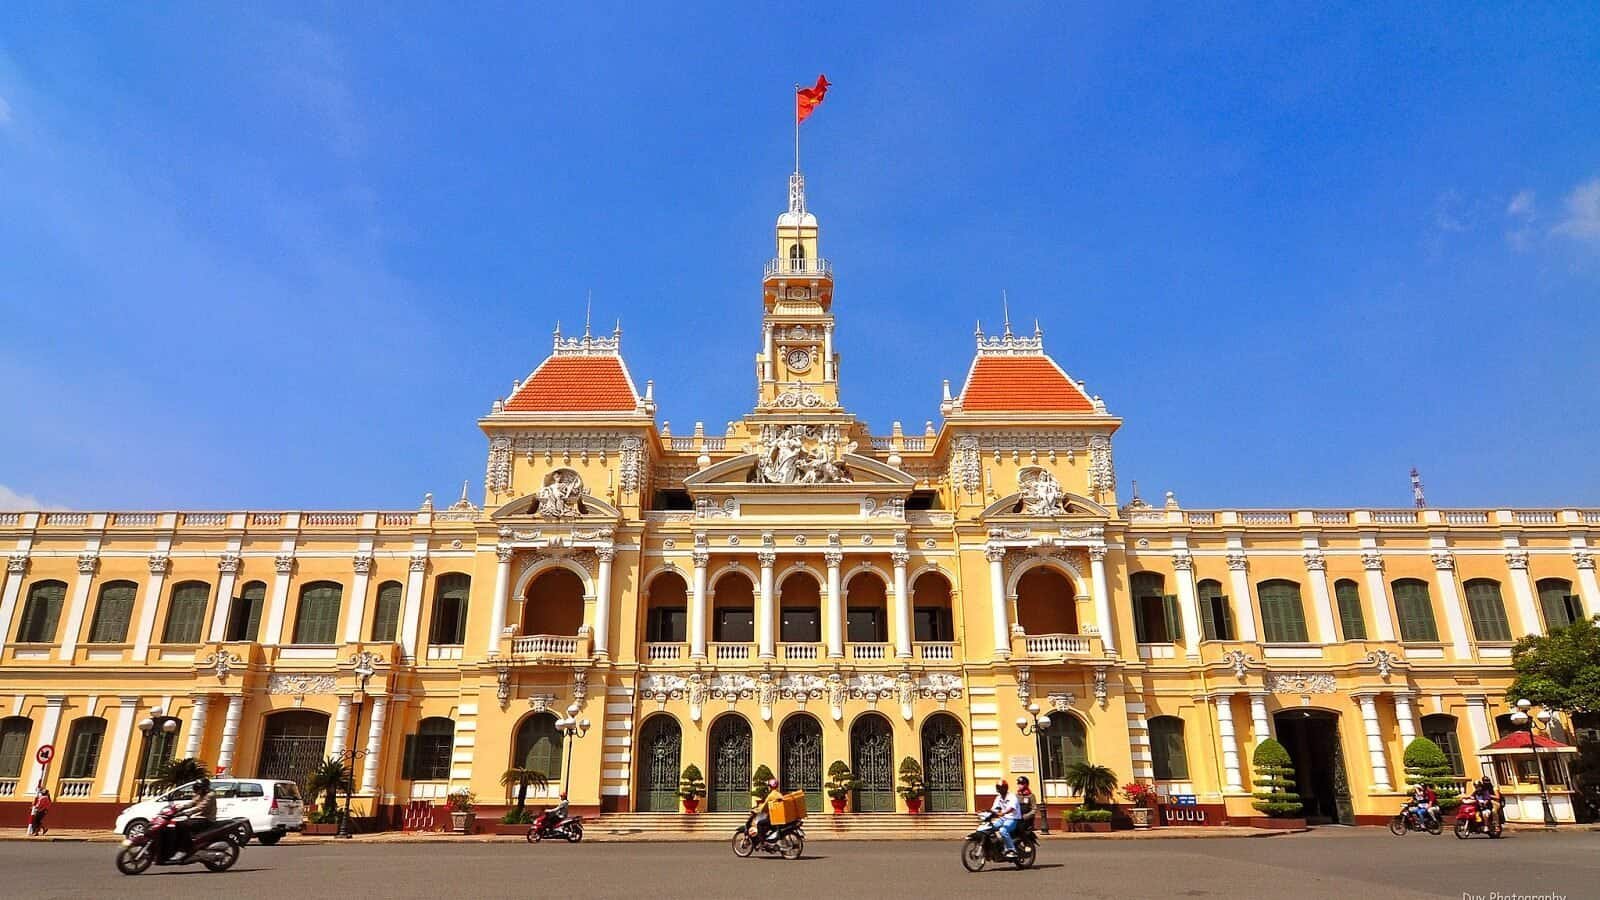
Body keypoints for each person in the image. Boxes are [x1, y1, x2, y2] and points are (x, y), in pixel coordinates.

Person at [167, 778, 216, 861]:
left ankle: (184, 849)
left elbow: (200, 807)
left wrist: (186, 813)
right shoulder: (199, 794)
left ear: (203, 788)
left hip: (206, 819)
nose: (196, 790)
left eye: (198, 788)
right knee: (175, 825)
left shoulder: (210, 795)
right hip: (196, 817)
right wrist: (179, 808)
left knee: (183, 826)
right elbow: (192, 803)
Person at [989, 780, 1019, 859]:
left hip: (1013, 818)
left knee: (1003, 830)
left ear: (1005, 788)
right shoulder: (998, 798)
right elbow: (994, 808)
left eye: (1001, 788)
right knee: (990, 828)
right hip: (1003, 818)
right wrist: (987, 813)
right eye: (998, 788)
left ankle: (1012, 850)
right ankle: (996, 846)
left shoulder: (1012, 797)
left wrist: (1003, 813)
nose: (999, 790)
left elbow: (1012, 808)